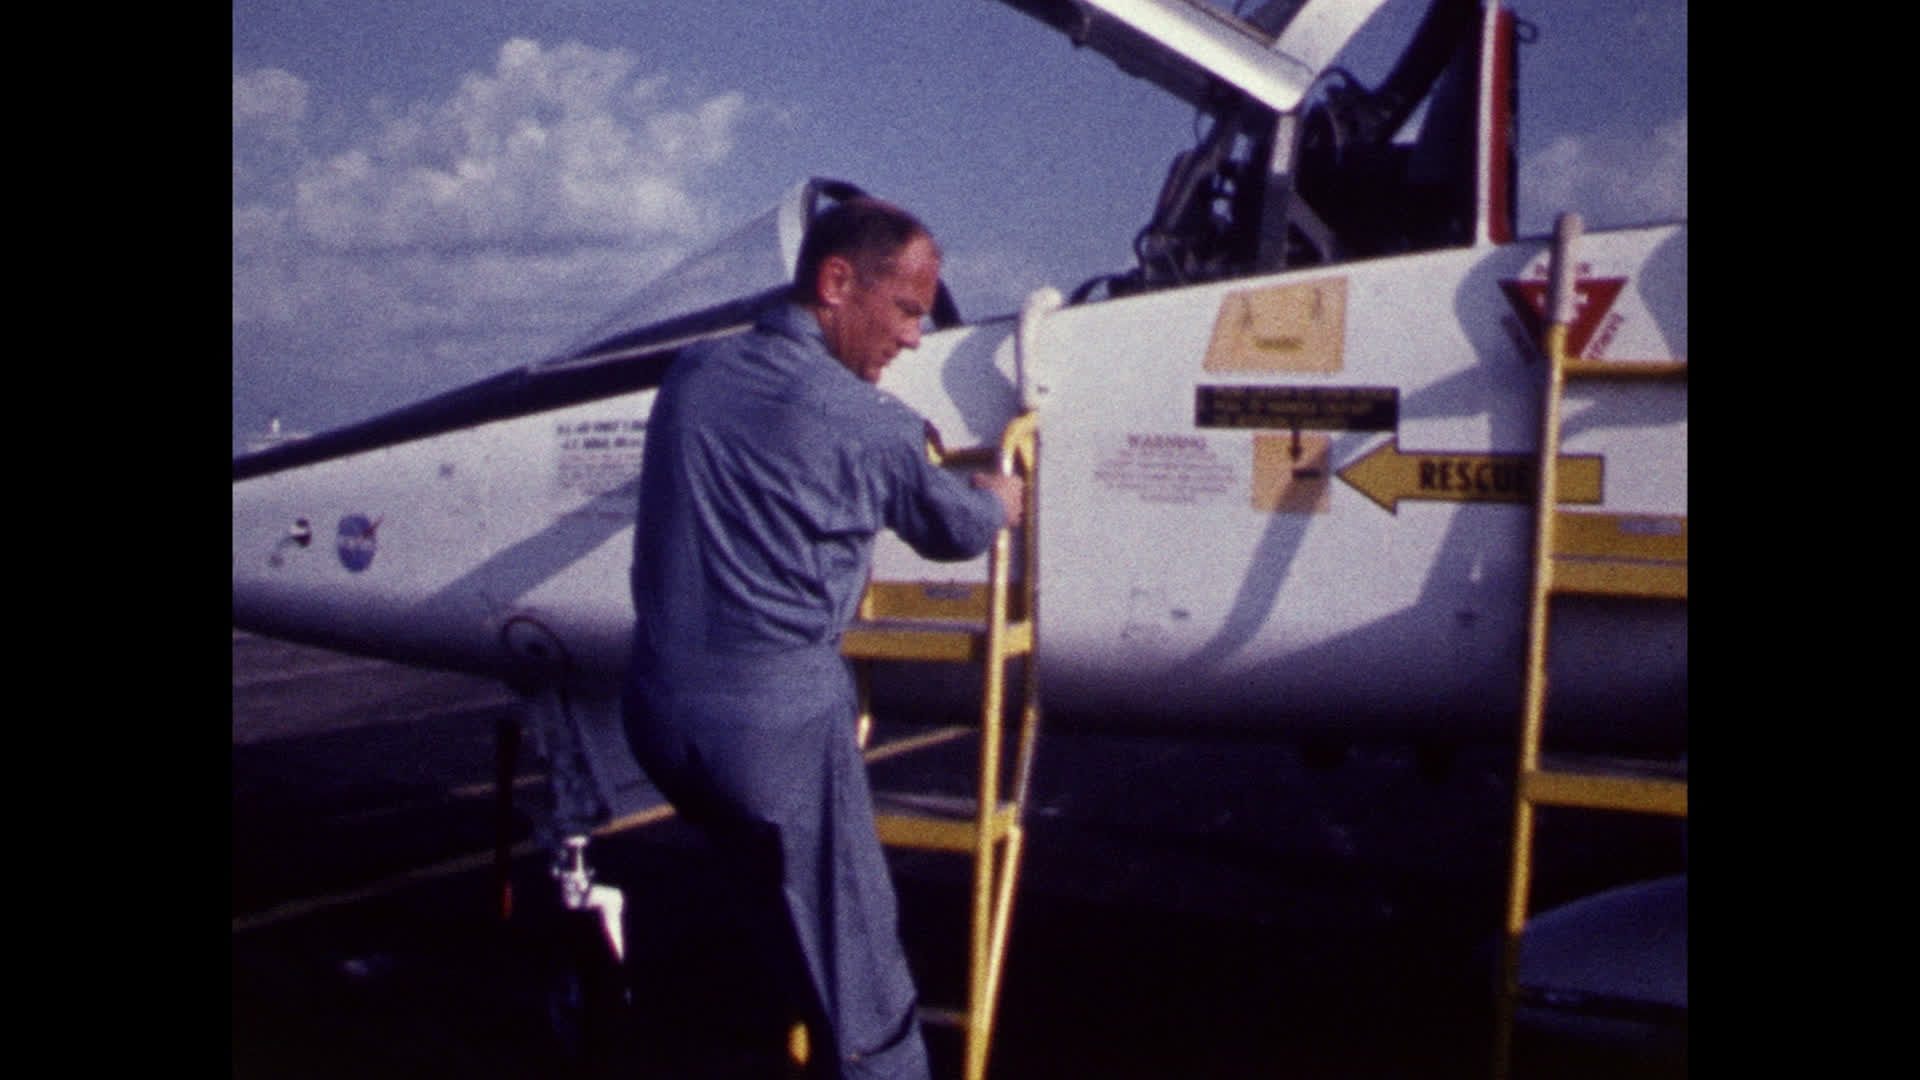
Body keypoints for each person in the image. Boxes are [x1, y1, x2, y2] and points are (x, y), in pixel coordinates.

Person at [622, 197, 1023, 1079]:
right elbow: (952, 529)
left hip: (658, 720)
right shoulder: (872, 423)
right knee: (867, 998)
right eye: (907, 310)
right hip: (776, 732)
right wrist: (998, 499)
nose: (914, 338)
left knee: (784, 926)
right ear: (837, 282)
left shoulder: (692, 374)